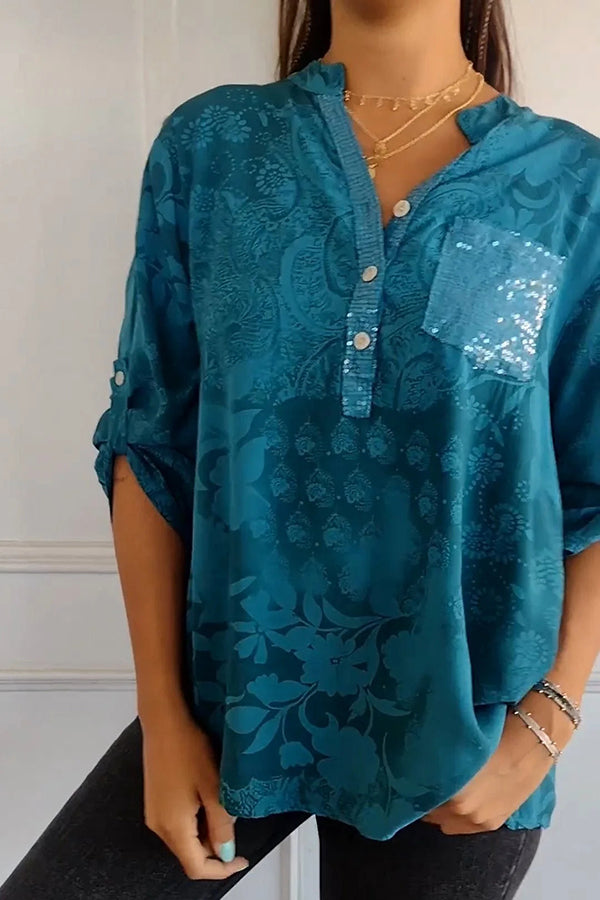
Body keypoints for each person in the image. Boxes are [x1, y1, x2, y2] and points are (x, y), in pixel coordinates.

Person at [3, 0, 600, 897]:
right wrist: (162, 717)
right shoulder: (213, 147)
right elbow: (149, 442)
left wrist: (547, 722)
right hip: (229, 707)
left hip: (467, 738)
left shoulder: (572, 185)